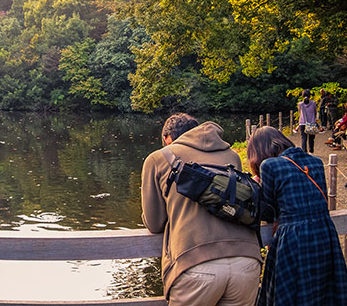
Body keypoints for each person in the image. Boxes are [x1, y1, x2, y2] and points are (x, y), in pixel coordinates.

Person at [141, 113, 261, 305]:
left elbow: (154, 223)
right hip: (246, 261)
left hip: (195, 263)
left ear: (166, 138)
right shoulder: (231, 155)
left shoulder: (157, 159)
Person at [247, 126, 347, 306]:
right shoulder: (315, 161)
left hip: (294, 237)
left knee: (293, 294)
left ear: (260, 150)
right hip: (325, 232)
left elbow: (269, 211)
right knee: (323, 290)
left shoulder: (269, 165)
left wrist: (257, 186)